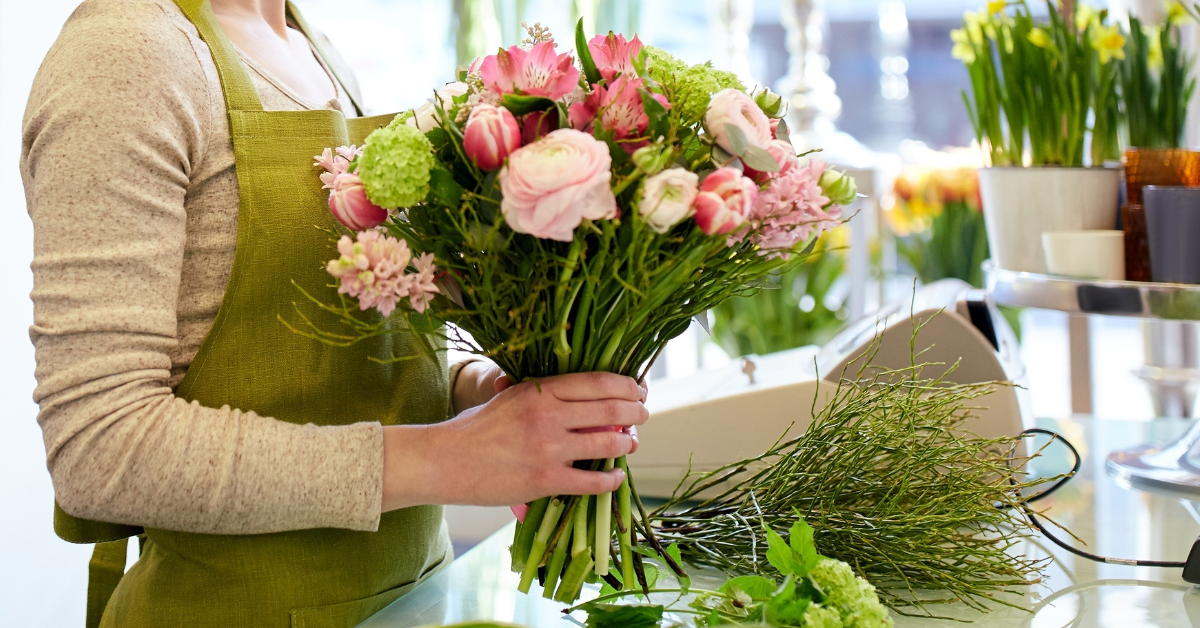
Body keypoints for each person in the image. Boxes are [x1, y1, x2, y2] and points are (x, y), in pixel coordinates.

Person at [20, 0, 646, 626]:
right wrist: (450, 458)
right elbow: (98, 449)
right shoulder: (125, 56)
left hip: (411, 598)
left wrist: (476, 393)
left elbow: (336, 352)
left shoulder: (311, 47)